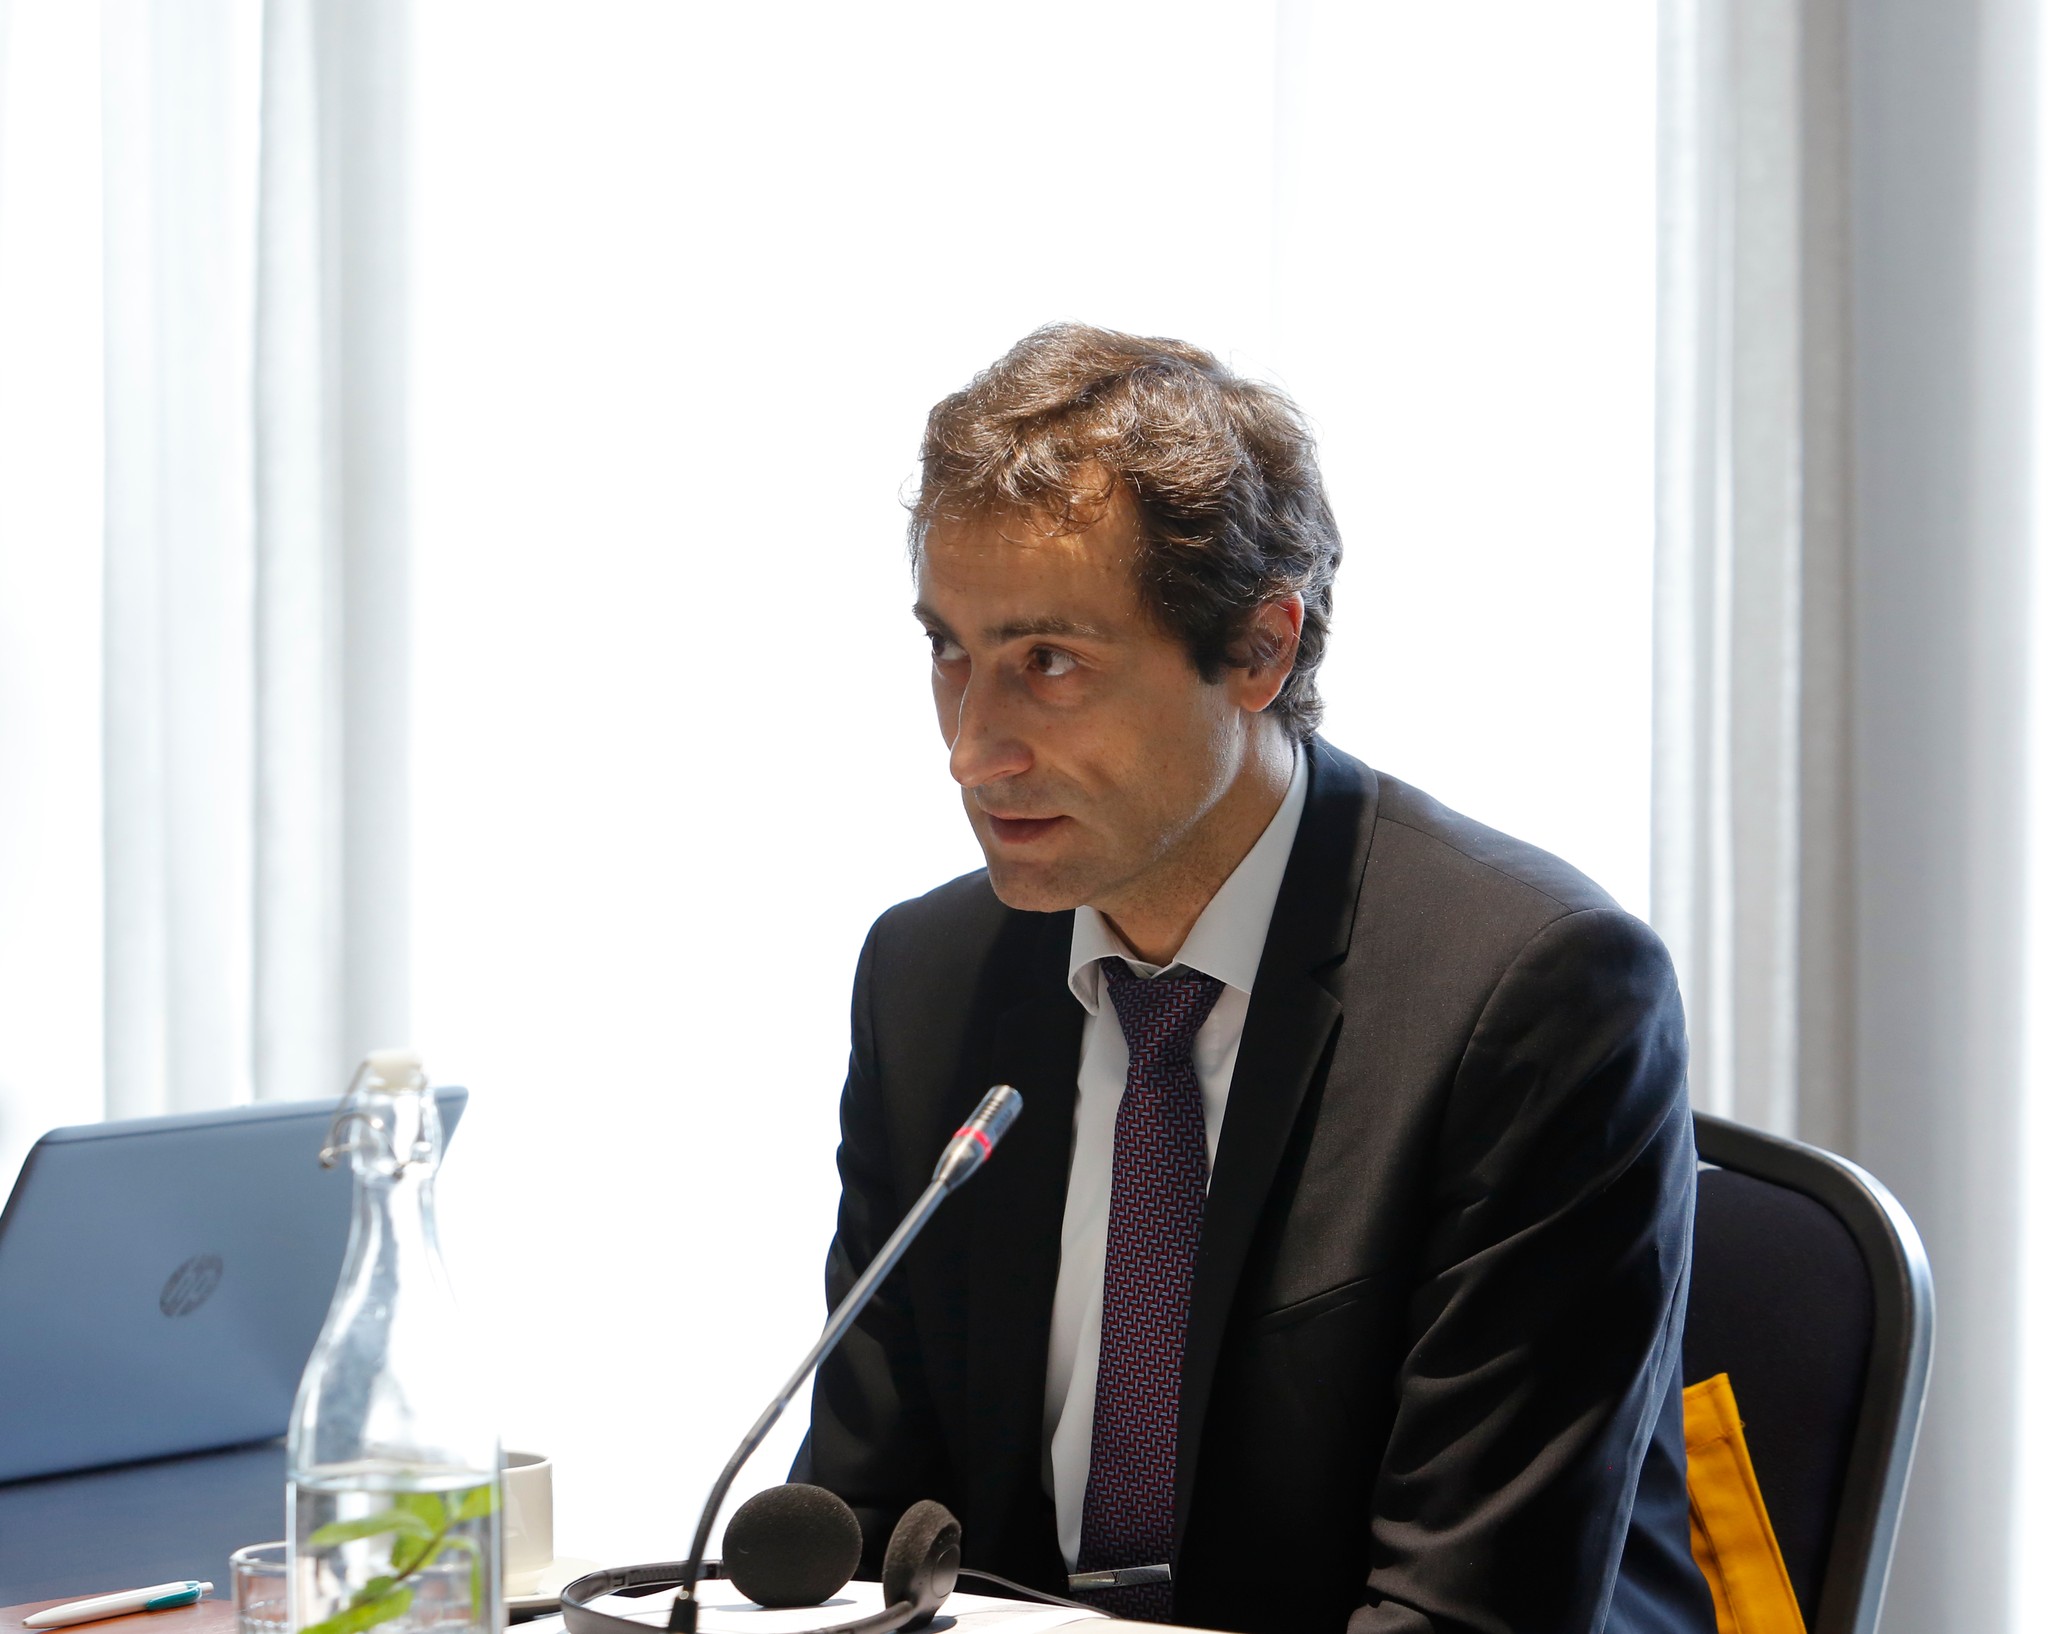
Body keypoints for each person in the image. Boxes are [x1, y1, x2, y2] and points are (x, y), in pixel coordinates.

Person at [795, 324, 1714, 1634]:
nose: (973, 749)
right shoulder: (927, 978)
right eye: (951, 651)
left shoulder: (1533, 996)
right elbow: (861, 1535)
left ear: (1261, 651)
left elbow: (1464, 1615)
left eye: (1049, 662)